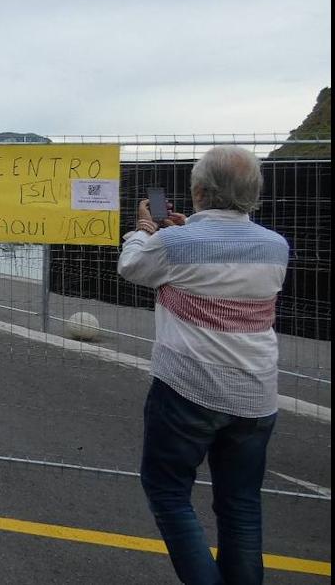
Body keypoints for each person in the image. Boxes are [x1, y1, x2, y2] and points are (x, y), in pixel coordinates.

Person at [118, 146, 289, 585]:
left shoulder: (175, 244)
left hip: (188, 389)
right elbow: (222, 265)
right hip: (257, 396)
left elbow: (132, 266)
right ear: (253, 193)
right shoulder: (275, 247)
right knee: (241, 505)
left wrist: (144, 227)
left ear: (197, 191)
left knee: (169, 492)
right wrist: (181, 233)